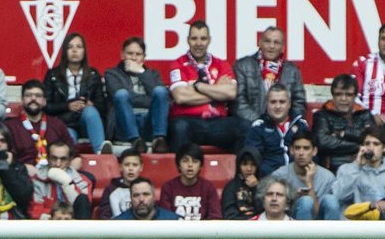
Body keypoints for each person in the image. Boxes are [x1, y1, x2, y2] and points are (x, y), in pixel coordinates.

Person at [168, 20, 243, 153]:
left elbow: (231, 93)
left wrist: (198, 87)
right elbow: (180, 97)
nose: (198, 43)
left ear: (209, 40)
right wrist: (216, 91)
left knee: (243, 127)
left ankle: (238, 173)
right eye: (194, 38)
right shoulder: (178, 64)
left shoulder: (221, 64)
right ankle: (177, 173)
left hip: (217, 123)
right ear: (187, 40)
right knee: (178, 127)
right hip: (188, 122)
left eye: (203, 38)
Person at [43, 32, 110, 153]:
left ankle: (101, 153)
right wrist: (67, 106)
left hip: (86, 122)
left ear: (84, 51)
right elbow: (45, 106)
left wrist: (91, 104)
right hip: (64, 122)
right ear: (64, 51)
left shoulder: (93, 75)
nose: (74, 50)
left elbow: (103, 106)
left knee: (90, 111)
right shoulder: (53, 75)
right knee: (69, 140)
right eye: (70, 47)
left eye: (79, 47)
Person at [104, 36, 169, 153]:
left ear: (144, 57)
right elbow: (121, 99)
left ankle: (159, 139)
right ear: (122, 55)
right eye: (130, 53)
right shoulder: (111, 74)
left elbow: (162, 99)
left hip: (149, 123)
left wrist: (141, 72)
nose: (134, 58)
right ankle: (136, 140)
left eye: (138, 54)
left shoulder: (153, 75)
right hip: (124, 125)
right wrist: (149, 99)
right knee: (122, 94)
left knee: (161, 91)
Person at [234, 26, 306, 125]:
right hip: (250, 125)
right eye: (267, 41)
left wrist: (290, 123)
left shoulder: (292, 70)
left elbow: (299, 102)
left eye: (276, 42)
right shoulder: (243, 66)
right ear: (259, 43)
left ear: (283, 47)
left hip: (283, 125)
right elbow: (238, 102)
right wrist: (260, 122)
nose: (271, 46)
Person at [5, 79, 77, 173]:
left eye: (38, 96)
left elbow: (76, 158)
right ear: (21, 100)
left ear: (44, 101)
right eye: (28, 95)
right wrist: (23, 168)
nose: (33, 99)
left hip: (55, 177)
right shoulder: (9, 127)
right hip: (23, 177)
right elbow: (4, 161)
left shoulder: (57, 124)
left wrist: (64, 174)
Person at [270, 132, 340, 221]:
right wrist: (293, 196)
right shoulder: (279, 176)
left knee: (331, 200)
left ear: (314, 151)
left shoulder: (327, 177)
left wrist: (309, 183)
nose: (301, 153)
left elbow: (317, 213)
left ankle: (333, 235)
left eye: (306, 148)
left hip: (320, 226)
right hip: (290, 225)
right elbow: (273, 210)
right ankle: (303, 235)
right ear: (291, 150)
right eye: (297, 148)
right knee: (305, 201)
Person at [312, 74, 374, 171]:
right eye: (339, 94)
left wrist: (343, 133)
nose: (343, 99)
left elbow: (372, 143)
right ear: (333, 95)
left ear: (355, 96)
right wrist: (358, 146)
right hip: (332, 170)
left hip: (363, 170)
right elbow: (323, 142)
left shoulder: (365, 115)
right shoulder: (322, 115)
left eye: (348, 95)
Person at [245, 84, 309, 177]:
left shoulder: (301, 125)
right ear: (267, 104)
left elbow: (310, 156)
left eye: (282, 102)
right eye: (273, 102)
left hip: (298, 178)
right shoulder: (258, 127)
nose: (277, 106)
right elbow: (253, 160)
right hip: (269, 180)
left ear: (289, 104)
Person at [334, 125, 385, 209]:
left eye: (376, 144)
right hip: (353, 220)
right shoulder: (346, 169)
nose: (371, 148)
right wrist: (356, 166)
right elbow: (337, 196)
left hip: (381, 220)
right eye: (367, 143)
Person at [159, 143, 222, 221]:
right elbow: (165, 219)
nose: (190, 165)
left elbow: (215, 218)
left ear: (201, 166)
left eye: (195, 161)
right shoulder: (168, 188)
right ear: (178, 165)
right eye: (185, 161)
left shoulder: (209, 187)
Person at [96, 148, 144, 220]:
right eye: (127, 165)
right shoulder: (110, 189)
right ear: (120, 167)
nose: (131, 168)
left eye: (135, 165)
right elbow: (104, 216)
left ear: (141, 167)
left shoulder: (146, 188)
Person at [221, 147, 262, 220]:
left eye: (253, 164)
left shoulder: (264, 186)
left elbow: (266, 212)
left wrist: (256, 188)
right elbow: (230, 215)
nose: (249, 169)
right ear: (238, 166)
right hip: (238, 228)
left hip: (261, 228)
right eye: (244, 164)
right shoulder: (230, 187)